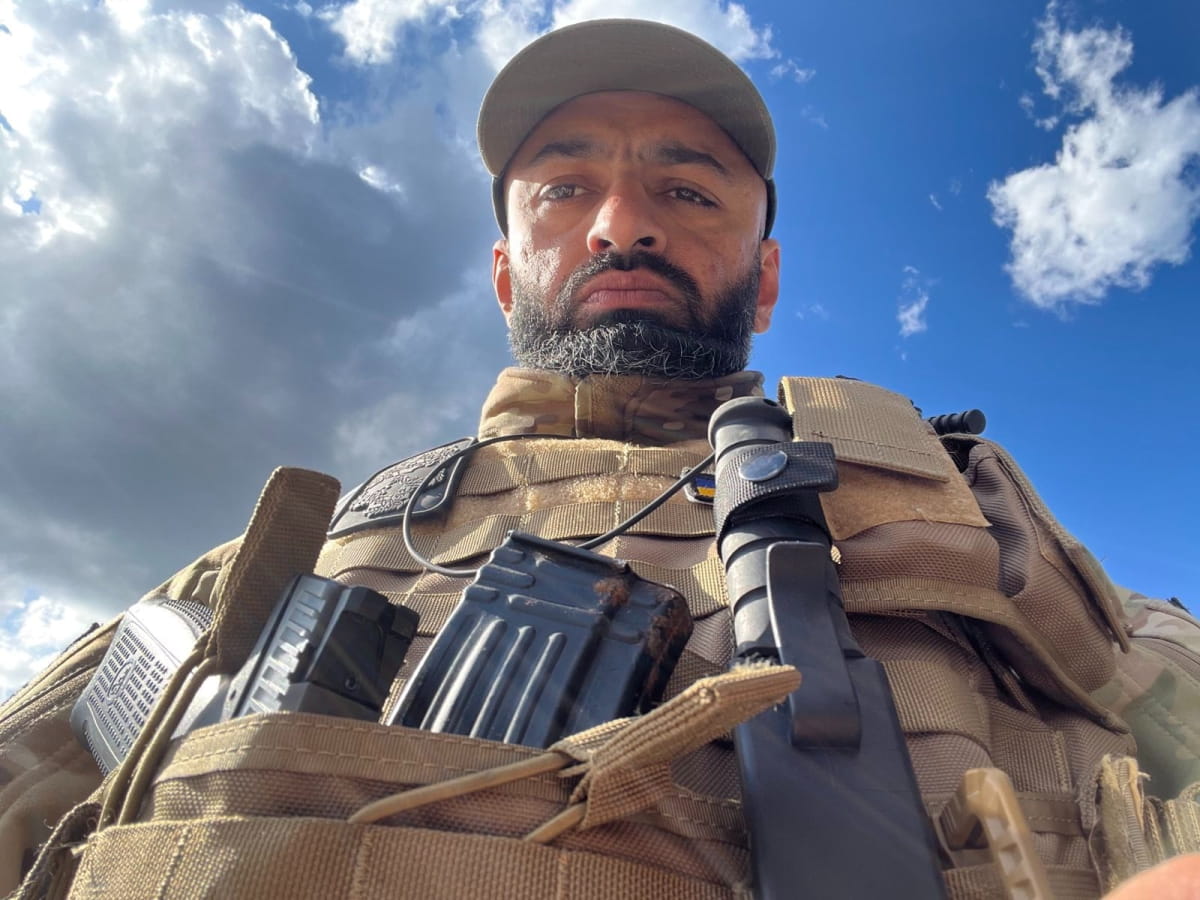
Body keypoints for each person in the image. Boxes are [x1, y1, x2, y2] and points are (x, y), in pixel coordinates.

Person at [1, 18, 1197, 900]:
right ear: (505, 272)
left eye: (687, 190)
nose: (624, 225)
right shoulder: (288, 561)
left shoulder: (950, 511)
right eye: (566, 188)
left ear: (766, 280)